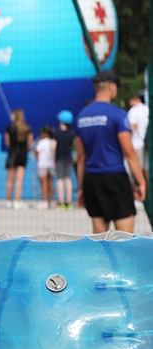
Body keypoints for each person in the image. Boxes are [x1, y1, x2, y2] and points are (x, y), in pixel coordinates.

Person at [75, 70, 146, 233]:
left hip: (91, 180)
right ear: (111, 86)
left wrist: (81, 188)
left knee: (100, 240)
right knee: (124, 239)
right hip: (115, 178)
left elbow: (81, 158)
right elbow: (129, 151)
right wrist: (140, 182)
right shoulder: (117, 114)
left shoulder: (81, 116)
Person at [4, 108, 34, 210]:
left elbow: (7, 142)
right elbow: (30, 143)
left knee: (10, 179)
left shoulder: (9, 128)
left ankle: (8, 201)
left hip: (12, 154)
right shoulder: (26, 128)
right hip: (22, 154)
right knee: (19, 179)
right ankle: (17, 201)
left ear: (15, 116)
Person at [53, 110, 76, 209]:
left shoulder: (57, 133)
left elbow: (53, 147)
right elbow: (75, 146)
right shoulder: (72, 133)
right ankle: (69, 201)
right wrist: (75, 155)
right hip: (68, 158)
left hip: (59, 158)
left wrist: (52, 157)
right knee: (68, 179)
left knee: (60, 180)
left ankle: (61, 201)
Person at [127, 92, 149, 191]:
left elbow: (131, 128)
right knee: (147, 169)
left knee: (136, 169)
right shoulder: (147, 109)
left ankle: (139, 191)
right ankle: (148, 192)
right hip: (147, 143)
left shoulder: (133, 111)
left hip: (136, 143)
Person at [34, 125, 55, 209]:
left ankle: (44, 200)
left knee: (43, 183)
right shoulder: (53, 141)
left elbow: (37, 153)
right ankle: (52, 200)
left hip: (43, 164)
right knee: (50, 183)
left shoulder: (41, 142)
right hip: (51, 165)